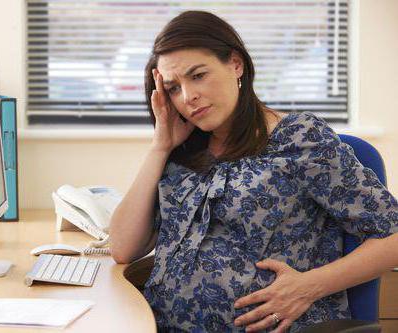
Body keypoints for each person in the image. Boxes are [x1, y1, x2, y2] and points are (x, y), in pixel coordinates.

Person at [109, 10, 398, 333]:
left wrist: (310, 285)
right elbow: (122, 248)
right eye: (174, 88)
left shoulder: (298, 138)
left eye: (198, 75)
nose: (188, 96)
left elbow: (394, 236)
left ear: (236, 64)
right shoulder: (184, 152)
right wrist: (160, 147)